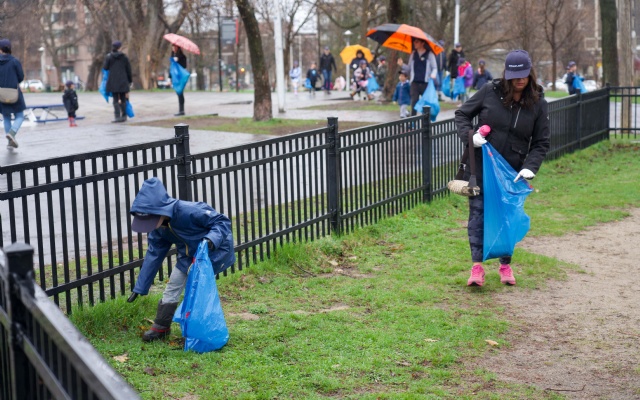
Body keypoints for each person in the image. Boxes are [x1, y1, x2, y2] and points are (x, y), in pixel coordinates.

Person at [454, 49, 550, 287]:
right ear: (507, 75)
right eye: (515, 75)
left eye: (524, 75)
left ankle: (505, 265)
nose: (519, 80)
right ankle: (477, 268)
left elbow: (541, 142)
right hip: (482, 169)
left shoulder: (538, 103)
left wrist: (530, 166)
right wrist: (470, 137)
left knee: (508, 218)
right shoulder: (489, 92)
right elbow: (462, 114)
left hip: (512, 173)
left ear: (531, 75)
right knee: (477, 217)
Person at [126, 177, 236, 342]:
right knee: (173, 285)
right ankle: (161, 328)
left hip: (213, 251)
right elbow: (154, 254)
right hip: (188, 256)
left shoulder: (189, 210)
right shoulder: (159, 229)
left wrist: (210, 240)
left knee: (198, 289)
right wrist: (140, 287)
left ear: (160, 211)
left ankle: (200, 329)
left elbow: (221, 221)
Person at [0, 38, 25, 149]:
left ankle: (10, 142)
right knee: (19, 115)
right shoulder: (15, 61)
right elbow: (21, 76)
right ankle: (12, 133)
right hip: (15, 93)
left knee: (6, 117)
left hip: (1, 94)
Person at [103, 40, 132, 123]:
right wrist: (130, 81)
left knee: (115, 100)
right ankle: (124, 116)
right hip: (123, 81)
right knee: (123, 99)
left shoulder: (109, 57)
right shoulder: (124, 57)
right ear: (120, 47)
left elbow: (105, 68)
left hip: (113, 81)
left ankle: (117, 116)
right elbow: (128, 70)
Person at [407, 38, 437, 116]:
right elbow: (409, 68)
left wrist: (433, 74)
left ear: (422, 43)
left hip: (425, 83)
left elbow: (434, 68)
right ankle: (412, 123)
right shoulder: (413, 54)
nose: (415, 43)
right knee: (414, 102)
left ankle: (426, 123)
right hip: (415, 82)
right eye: (414, 41)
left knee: (426, 104)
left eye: (417, 42)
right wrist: (401, 65)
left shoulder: (429, 54)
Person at [171, 45, 187, 116]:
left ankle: (181, 110)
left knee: (180, 92)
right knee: (178, 93)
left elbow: (184, 66)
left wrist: (178, 61)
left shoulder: (182, 57)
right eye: (172, 47)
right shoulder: (172, 56)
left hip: (180, 77)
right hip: (175, 77)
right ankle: (180, 110)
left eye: (175, 47)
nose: (173, 48)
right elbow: (172, 67)